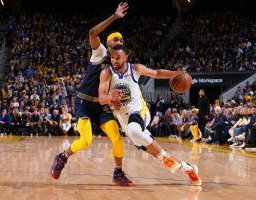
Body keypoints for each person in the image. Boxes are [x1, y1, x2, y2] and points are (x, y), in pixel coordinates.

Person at [51, 2, 133, 187]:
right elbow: (92, 33)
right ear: (109, 43)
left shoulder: (119, 64)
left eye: (120, 39)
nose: (118, 41)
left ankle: (117, 173)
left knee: (117, 139)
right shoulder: (101, 52)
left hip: (102, 106)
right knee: (86, 140)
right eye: (114, 39)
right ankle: (62, 157)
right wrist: (114, 16)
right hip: (84, 102)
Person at [98, 44, 202, 186]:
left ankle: (166, 158)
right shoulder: (106, 73)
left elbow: (157, 73)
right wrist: (110, 97)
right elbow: (101, 98)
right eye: (112, 58)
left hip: (139, 111)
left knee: (135, 131)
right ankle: (188, 168)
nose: (114, 61)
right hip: (123, 118)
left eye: (118, 58)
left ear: (125, 57)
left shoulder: (135, 69)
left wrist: (176, 74)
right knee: (141, 140)